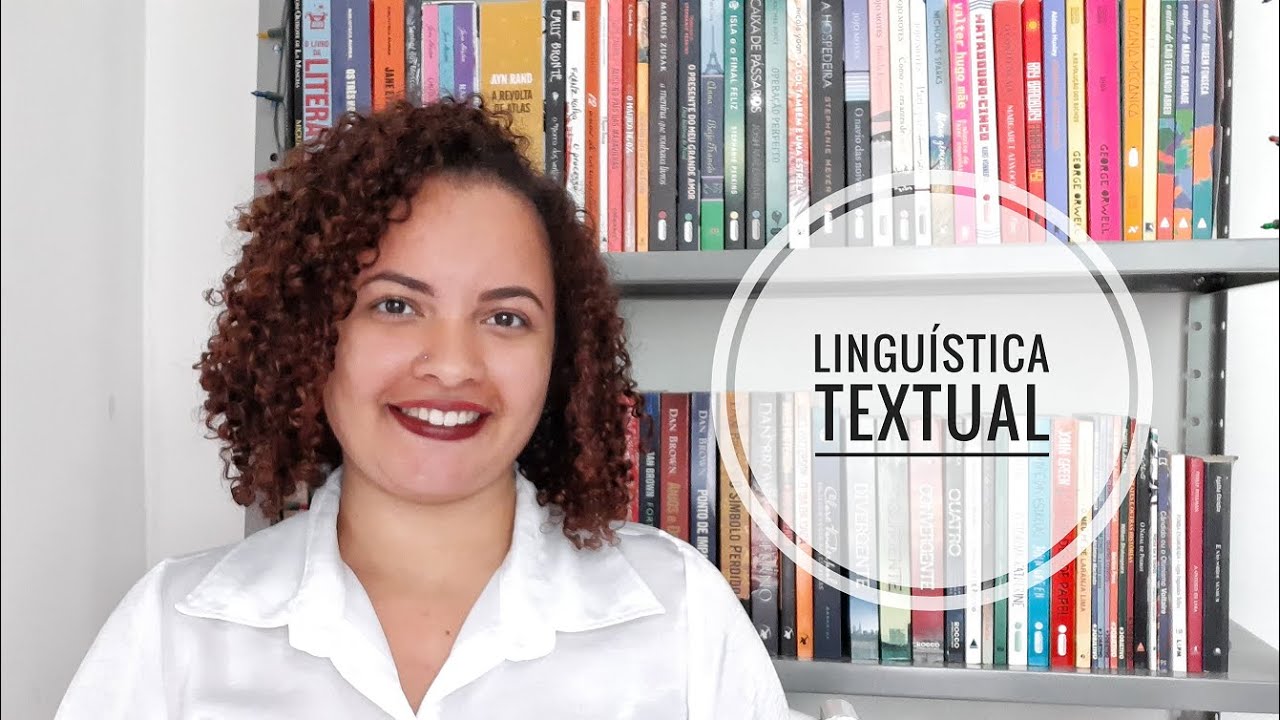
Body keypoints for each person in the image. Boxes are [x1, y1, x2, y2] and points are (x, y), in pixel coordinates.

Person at [55, 98, 792, 719]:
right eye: (396, 306)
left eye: (505, 318)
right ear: (313, 334)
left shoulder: (681, 617)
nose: (452, 364)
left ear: (561, 360)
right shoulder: (175, 630)